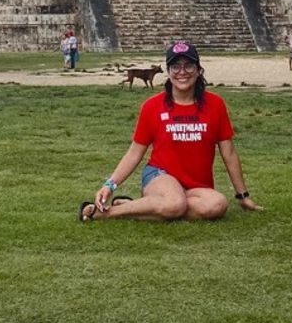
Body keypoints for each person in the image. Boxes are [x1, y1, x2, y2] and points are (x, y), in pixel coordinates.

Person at [78, 40, 261, 222]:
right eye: (175, 66)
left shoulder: (215, 104)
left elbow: (228, 152)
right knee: (174, 203)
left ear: (198, 70)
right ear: (168, 71)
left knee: (217, 205)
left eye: (188, 65)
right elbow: (134, 153)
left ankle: (140, 207)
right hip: (159, 176)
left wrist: (243, 196)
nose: (182, 72)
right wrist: (109, 185)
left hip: (196, 186)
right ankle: (103, 214)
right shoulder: (152, 106)